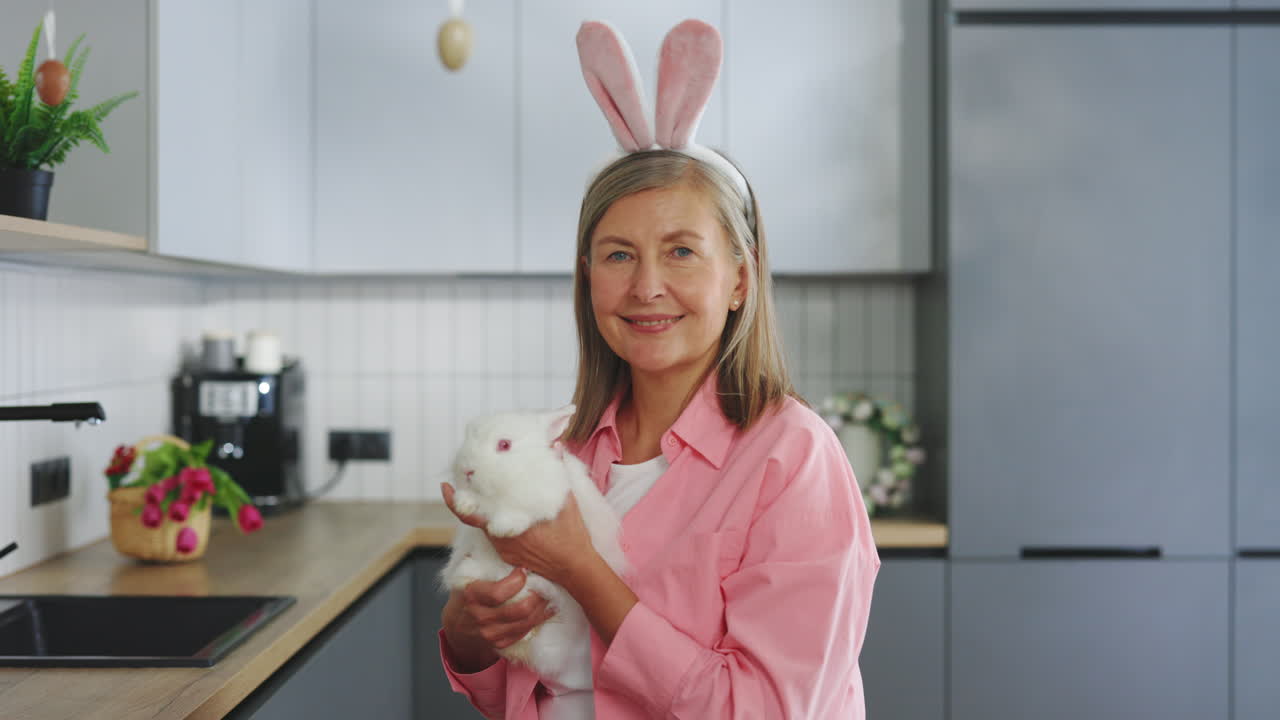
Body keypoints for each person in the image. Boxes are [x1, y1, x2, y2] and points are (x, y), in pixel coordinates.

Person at [438, 19, 880, 720]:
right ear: (588, 279)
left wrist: (582, 571)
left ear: (741, 277)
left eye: (680, 252)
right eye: (618, 255)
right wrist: (468, 639)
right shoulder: (559, 449)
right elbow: (526, 685)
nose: (645, 286)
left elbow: (765, 709)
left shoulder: (792, 460)